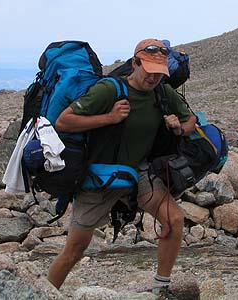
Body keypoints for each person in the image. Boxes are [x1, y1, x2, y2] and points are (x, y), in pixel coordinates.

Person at [47, 38, 196, 299]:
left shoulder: (163, 92)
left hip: (138, 172)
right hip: (99, 176)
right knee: (75, 249)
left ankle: (161, 289)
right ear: (135, 63)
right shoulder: (109, 90)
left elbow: (190, 120)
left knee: (174, 220)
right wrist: (110, 118)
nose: (153, 78)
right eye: (148, 71)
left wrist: (179, 127)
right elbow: (64, 121)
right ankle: (43, 294)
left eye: (159, 74)